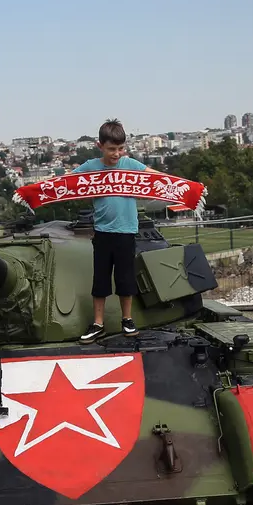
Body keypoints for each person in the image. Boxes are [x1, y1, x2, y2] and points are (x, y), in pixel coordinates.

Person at [72, 118, 161, 344]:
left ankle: (127, 319)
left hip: (127, 232)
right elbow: (67, 182)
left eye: (121, 148)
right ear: (99, 145)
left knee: (125, 279)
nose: (117, 153)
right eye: (112, 149)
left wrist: (184, 188)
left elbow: (155, 177)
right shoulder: (91, 167)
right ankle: (98, 324)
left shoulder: (130, 165)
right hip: (102, 233)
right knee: (100, 280)